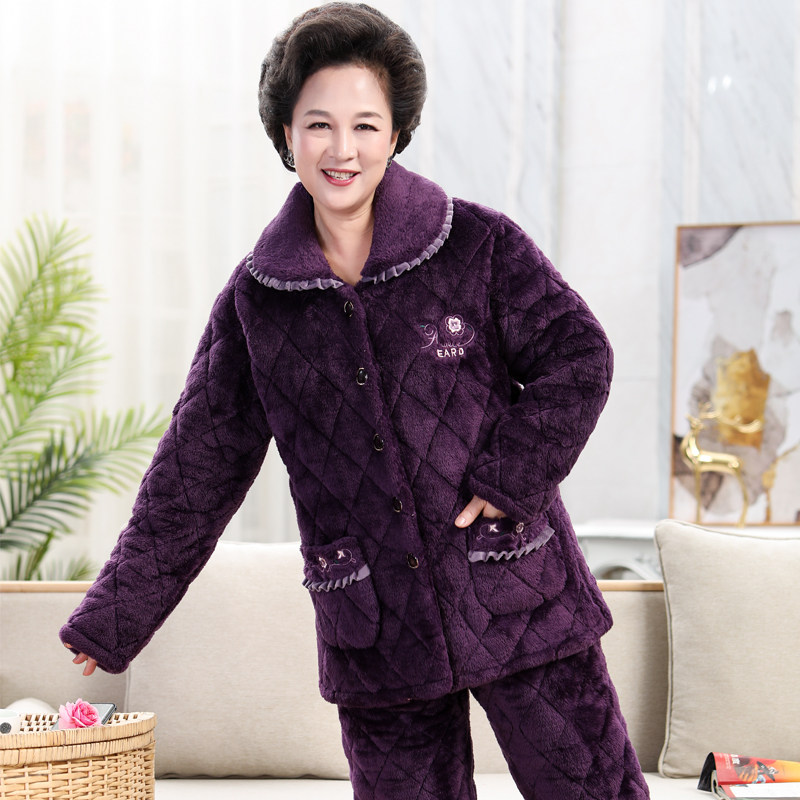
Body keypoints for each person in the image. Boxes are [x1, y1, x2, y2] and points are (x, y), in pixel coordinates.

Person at [61, 4, 650, 798]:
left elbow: (579, 356)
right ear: (286, 134)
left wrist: (509, 476)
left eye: (366, 125)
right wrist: (116, 615)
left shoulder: (478, 245)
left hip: (516, 586)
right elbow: (195, 473)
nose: (343, 150)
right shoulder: (256, 303)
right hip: (375, 626)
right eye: (319, 125)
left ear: (397, 132)